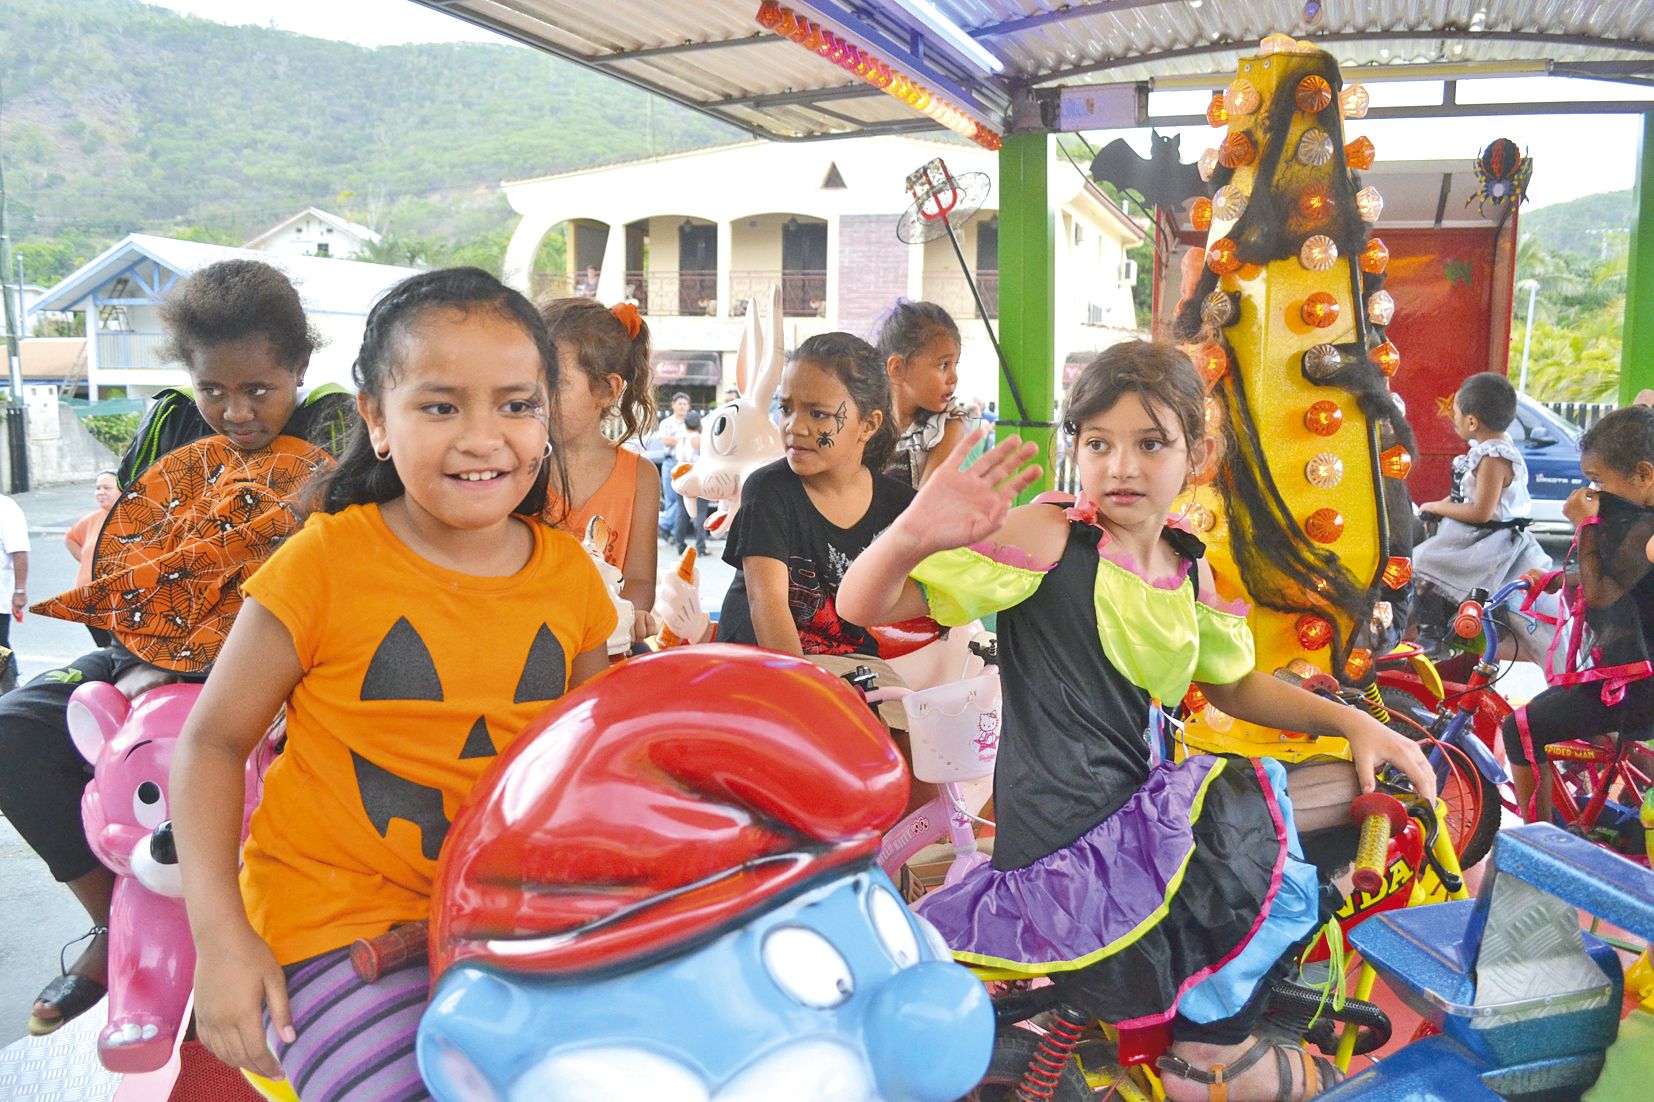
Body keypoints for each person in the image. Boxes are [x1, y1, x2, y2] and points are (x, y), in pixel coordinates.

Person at [837, 341, 1436, 1102]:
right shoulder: (1050, 536)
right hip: (1074, 826)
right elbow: (864, 607)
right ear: (1075, 451)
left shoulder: (1189, 568)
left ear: (1199, 453)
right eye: (1099, 444)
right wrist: (910, 537)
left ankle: (1217, 1023)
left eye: (1150, 444)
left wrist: (1354, 725)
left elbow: (1235, 685)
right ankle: (1214, 1054)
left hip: (1139, 809)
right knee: (1248, 801)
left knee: (1314, 800)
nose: (1121, 466)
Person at [170, 268, 617, 1098]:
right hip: (336, 928)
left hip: (512, 921)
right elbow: (211, 742)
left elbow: (594, 763)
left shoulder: (573, 581)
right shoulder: (326, 564)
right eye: (441, 406)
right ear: (376, 417)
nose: (484, 438)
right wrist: (220, 939)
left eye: (516, 405)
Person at [0, 258, 351, 1037]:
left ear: (299, 365)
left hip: (288, 666)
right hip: (155, 659)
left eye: (259, 390)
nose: (235, 411)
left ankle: (266, 938)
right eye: (214, 390)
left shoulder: (340, 431)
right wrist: (135, 660)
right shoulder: (166, 426)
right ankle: (114, 918)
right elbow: (125, 564)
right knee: (16, 725)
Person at [716, 332, 917, 659]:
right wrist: (806, 693)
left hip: (853, 665)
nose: (794, 426)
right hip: (763, 668)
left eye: (818, 413)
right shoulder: (768, 492)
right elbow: (767, 604)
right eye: (786, 408)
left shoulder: (901, 506)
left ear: (868, 425)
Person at [1507, 405, 1654, 820]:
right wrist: (1563, 579)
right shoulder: (1643, 522)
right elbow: (1631, 580)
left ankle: (1542, 841)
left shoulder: (1646, 529)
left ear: (1644, 475)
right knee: (1577, 720)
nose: (1592, 494)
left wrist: (1585, 527)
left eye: (1598, 482)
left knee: (1520, 728)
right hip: (1635, 678)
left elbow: (1605, 594)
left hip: (1640, 684)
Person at [541, 297, 660, 642]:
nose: (537, 396)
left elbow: (639, 581)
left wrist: (630, 614)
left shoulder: (641, 477)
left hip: (604, 642)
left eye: (554, 382)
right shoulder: (519, 468)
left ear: (608, 390)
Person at [1412, 372, 1552, 655]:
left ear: (1472, 421)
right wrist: (1435, 506)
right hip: (1474, 533)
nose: (1453, 420)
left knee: (1423, 561)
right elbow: (1463, 495)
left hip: (1489, 539)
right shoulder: (1484, 451)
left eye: (1456, 415)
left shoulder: (1494, 458)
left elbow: (1482, 511)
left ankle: (1434, 635)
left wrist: (1434, 507)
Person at [873, 300, 967, 488]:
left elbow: (924, 501)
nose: (953, 378)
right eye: (943, 365)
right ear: (897, 368)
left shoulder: (948, 425)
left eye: (955, 365)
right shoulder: (867, 421)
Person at [63, 470, 120, 647]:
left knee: (119, 650)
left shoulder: (131, 518)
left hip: (117, 600)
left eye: (107, 488)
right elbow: (70, 539)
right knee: (106, 647)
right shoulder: (92, 519)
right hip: (90, 599)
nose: (100, 492)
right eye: (97, 488)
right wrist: (87, 563)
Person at [671, 410, 712, 556]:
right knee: (700, 512)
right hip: (699, 478)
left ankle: (680, 545)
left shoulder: (680, 438)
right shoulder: (701, 438)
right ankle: (701, 546)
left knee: (682, 513)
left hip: (681, 477)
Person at [0, 489, 29, 692]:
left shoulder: (6, 507)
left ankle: (9, 688)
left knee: (0, 646)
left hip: (0, 592)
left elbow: (19, 550)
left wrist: (20, 590)